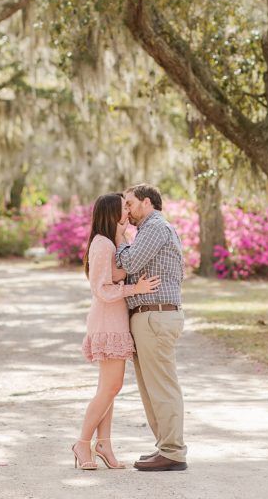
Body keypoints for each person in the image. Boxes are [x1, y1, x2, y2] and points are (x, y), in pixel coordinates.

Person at [72, 192, 160, 471]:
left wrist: (122, 236)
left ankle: (104, 444)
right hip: (106, 321)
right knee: (112, 386)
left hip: (116, 320)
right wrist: (137, 288)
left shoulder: (114, 241)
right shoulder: (101, 245)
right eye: (124, 208)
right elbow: (101, 289)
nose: (129, 211)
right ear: (112, 213)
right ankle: (82, 443)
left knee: (108, 389)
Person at [115, 182, 187, 472]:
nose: (127, 210)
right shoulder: (147, 231)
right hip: (149, 317)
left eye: (130, 203)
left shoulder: (156, 227)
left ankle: (173, 451)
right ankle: (166, 447)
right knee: (150, 388)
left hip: (156, 317)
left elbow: (130, 263)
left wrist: (119, 238)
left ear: (147, 202)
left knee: (162, 387)